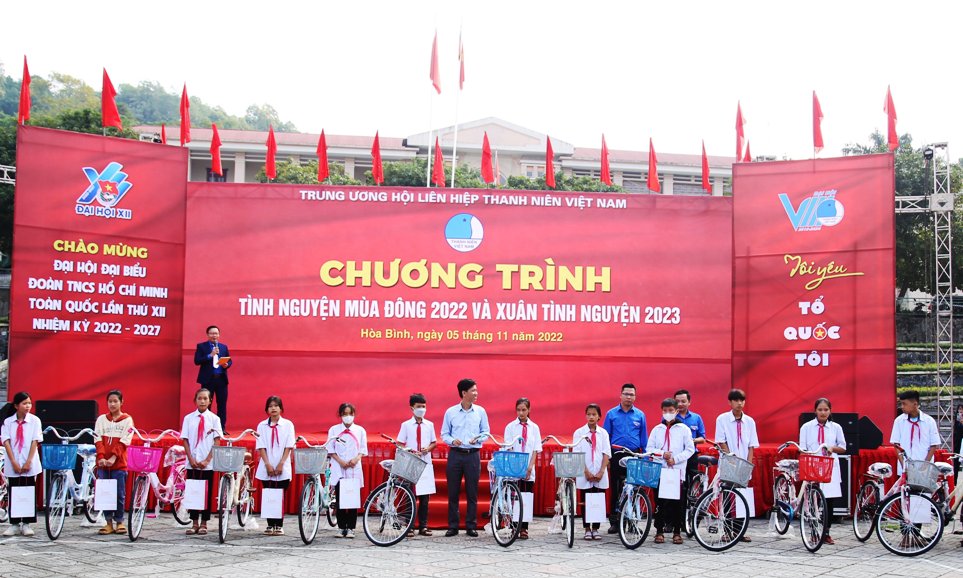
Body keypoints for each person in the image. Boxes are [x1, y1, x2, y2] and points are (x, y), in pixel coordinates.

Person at [441, 378, 490, 537]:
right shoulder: (451, 412)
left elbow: (486, 432)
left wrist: (478, 439)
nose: (476, 393)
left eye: (476, 390)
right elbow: (444, 434)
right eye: (473, 390)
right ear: (464, 393)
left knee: (472, 492)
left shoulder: (480, 411)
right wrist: (452, 441)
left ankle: (471, 525)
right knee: (453, 492)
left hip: (473, 455)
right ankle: (453, 526)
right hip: (455, 455)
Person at [647, 398, 695, 544]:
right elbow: (649, 449)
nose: (668, 413)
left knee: (677, 503)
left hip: (676, 471)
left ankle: (677, 531)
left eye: (671, 411)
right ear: (662, 411)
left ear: (676, 411)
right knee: (660, 502)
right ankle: (659, 530)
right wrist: (662, 454)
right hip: (661, 470)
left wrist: (676, 459)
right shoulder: (657, 429)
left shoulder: (684, 429)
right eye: (665, 411)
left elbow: (690, 449)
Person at [799, 397, 846, 545]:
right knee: (812, 499)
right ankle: (814, 531)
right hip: (812, 466)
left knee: (828, 501)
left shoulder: (836, 427)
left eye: (826, 410)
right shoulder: (806, 427)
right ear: (815, 411)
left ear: (830, 411)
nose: (823, 412)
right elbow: (802, 448)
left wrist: (832, 448)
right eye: (820, 410)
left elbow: (843, 447)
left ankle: (826, 532)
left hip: (829, 467)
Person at [714, 388, 758, 542]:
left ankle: (739, 531)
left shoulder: (750, 421)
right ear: (730, 402)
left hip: (744, 463)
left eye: (742, 400)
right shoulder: (722, 419)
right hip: (729, 461)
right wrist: (732, 459)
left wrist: (748, 464)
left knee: (742, 497)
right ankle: (727, 530)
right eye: (736, 400)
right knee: (727, 495)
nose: (739, 403)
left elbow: (751, 445)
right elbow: (721, 441)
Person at [602, 383, 647, 534]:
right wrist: (607, 458)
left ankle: (632, 521)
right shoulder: (611, 414)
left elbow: (643, 439)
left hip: (634, 455)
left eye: (631, 394)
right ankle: (615, 522)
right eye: (626, 394)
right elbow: (605, 437)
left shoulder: (640, 415)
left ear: (635, 397)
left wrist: (645, 457)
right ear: (620, 395)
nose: (629, 397)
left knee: (634, 489)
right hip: (616, 454)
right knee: (616, 489)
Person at [181, 388, 223, 536]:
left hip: (207, 463)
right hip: (192, 461)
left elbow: (217, 441)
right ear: (195, 400)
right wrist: (191, 459)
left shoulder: (214, 419)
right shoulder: (188, 418)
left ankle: (204, 522)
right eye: (200, 398)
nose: (202, 401)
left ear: (210, 401)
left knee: (206, 492)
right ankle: (194, 522)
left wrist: (207, 460)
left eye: (205, 398)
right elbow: (185, 440)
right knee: (193, 491)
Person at [93, 389, 135, 535]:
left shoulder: (127, 420)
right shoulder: (101, 420)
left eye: (115, 401)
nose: (112, 404)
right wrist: (101, 457)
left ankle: (120, 522)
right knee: (105, 493)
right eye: (110, 401)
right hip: (103, 464)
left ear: (121, 402)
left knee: (119, 494)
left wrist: (113, 458)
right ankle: (108, 523)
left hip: (119, 464)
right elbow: (97, 439)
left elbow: (125, 441)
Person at [1, 392, 42, 537]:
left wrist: (28, 461)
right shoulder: (8, 422)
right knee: (14, 491)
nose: (28, 406)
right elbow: (6, 442)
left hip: (29, 461)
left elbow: (35, 441)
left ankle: (26, 523)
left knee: (28, 490)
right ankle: (14, 523)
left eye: (29, 403)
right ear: (16, 406)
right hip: (13, 462)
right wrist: (13, 462)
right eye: (24, 403)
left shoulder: (35, 421)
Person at [397, 393, 437, 537]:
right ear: (412, 408)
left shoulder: (429, 425)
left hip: (425, 462)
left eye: (424, 406)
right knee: (410, 495)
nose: (422, 409)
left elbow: (434, 442)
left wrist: (428, 449)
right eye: (419, 406)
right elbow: (400, 443)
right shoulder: (406, 425)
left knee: (425, 497)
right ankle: (410, 526)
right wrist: (409, 451)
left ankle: (423, 526)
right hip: (411, 463)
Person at [255, 395, 295, 536]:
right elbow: (261, 446)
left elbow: (289, 446)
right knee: (269, 493)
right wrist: (267, 464)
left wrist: (281, 464)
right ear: (266, 409)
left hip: (282, 464)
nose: (273, 408)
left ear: (281, 408)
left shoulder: (288, 425)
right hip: (267, 464)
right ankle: (270, 524)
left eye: (276, 406)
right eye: (270, 406)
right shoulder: (261, 426)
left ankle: (279, 525)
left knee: (280, 494)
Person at [326, 403, 367, 538]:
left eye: (350, 414)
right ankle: (341, 526)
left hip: (354, 467)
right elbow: (330, 449)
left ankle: (351, 528)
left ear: (354, 415)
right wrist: (340, 462)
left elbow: (363, 449)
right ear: (340, 415)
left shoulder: (360, 430)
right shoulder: (334, 430)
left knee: (352, 498)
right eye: (344, 414)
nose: (347, 417)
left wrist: (356, 459)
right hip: (339, 467)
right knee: (340, 498)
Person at [504, 397, 542, 539]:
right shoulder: (510, 427)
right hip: (514, 467)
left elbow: (535, 449)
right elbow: (509, 447)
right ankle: (514, 527)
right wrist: (516, 467)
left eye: (524, 410)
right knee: (514, 498)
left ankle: (524, 528)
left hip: (528, 468)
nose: (521, 413)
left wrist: (530, 467)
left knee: (526, 497)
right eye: (518, 410)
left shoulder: (534, 428)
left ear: (529, 410)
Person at [574, 403, 611, 540]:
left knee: (598, 500)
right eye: (589, 414)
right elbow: (577, 453)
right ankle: (587, 528)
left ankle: (596, 528)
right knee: (585, 499)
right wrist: (586, 472)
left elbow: (606, 453)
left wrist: (601, 471)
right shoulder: (579, 433)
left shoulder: (603, 433)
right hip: (585, 472)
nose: (591, 417)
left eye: (594, 414)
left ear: (599, 417)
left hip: (600, 472)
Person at [194, 325, 232, 430]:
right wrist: (210, 355)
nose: (214, 335)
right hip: (208, 380)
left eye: (216, 333)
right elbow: (197, 361)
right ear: (207, 335)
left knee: (222, 404)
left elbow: (229, 360)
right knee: (206, 404)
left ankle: (221, 428)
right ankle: (207, 427)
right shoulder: (201, 346)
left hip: (221, 379)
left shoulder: (223, 347)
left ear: (219, 335)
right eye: (211, 333)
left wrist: (227, 365)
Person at [890, 390, 940, 469]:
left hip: (924, 467)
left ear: (915, 404)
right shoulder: (899, 421)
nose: (902, 406)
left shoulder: (929, 421)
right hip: (905, 467)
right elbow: (896, 445)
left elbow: (933, 445)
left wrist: (925, 464)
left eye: (904, 404)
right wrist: (903, 465)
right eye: (901, 404)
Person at [674, 389, 706, 482]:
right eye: (677, 401)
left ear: (689, 402)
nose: (680, 404)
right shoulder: (670, 418)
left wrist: (691, 440)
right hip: (676, 456)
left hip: (692, 455)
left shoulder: (696, 418)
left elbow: (702, 439)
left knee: (692, 481)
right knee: (677, 482)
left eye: (683, 401)